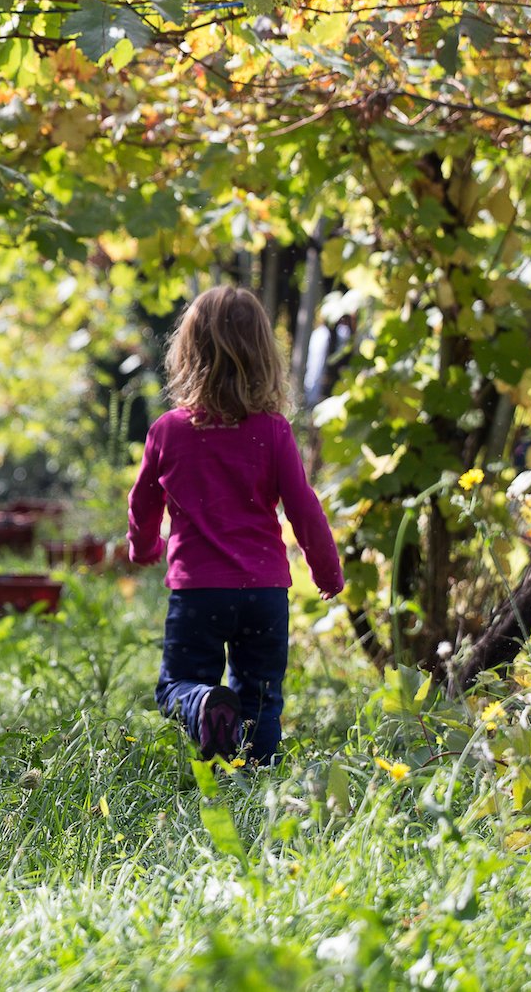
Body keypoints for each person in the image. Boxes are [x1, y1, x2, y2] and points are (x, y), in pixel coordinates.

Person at [127, 285, 342, 764]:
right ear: (264, 358)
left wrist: (144, 548)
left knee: (177, 687)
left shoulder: (168, 430)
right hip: (264, 592)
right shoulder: (273, 431)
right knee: (261, 701)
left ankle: (202, 708)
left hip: (198, 592)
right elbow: (303, 507)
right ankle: (258, 786)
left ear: (187, 354)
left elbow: (143, 501)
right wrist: (327, 571)